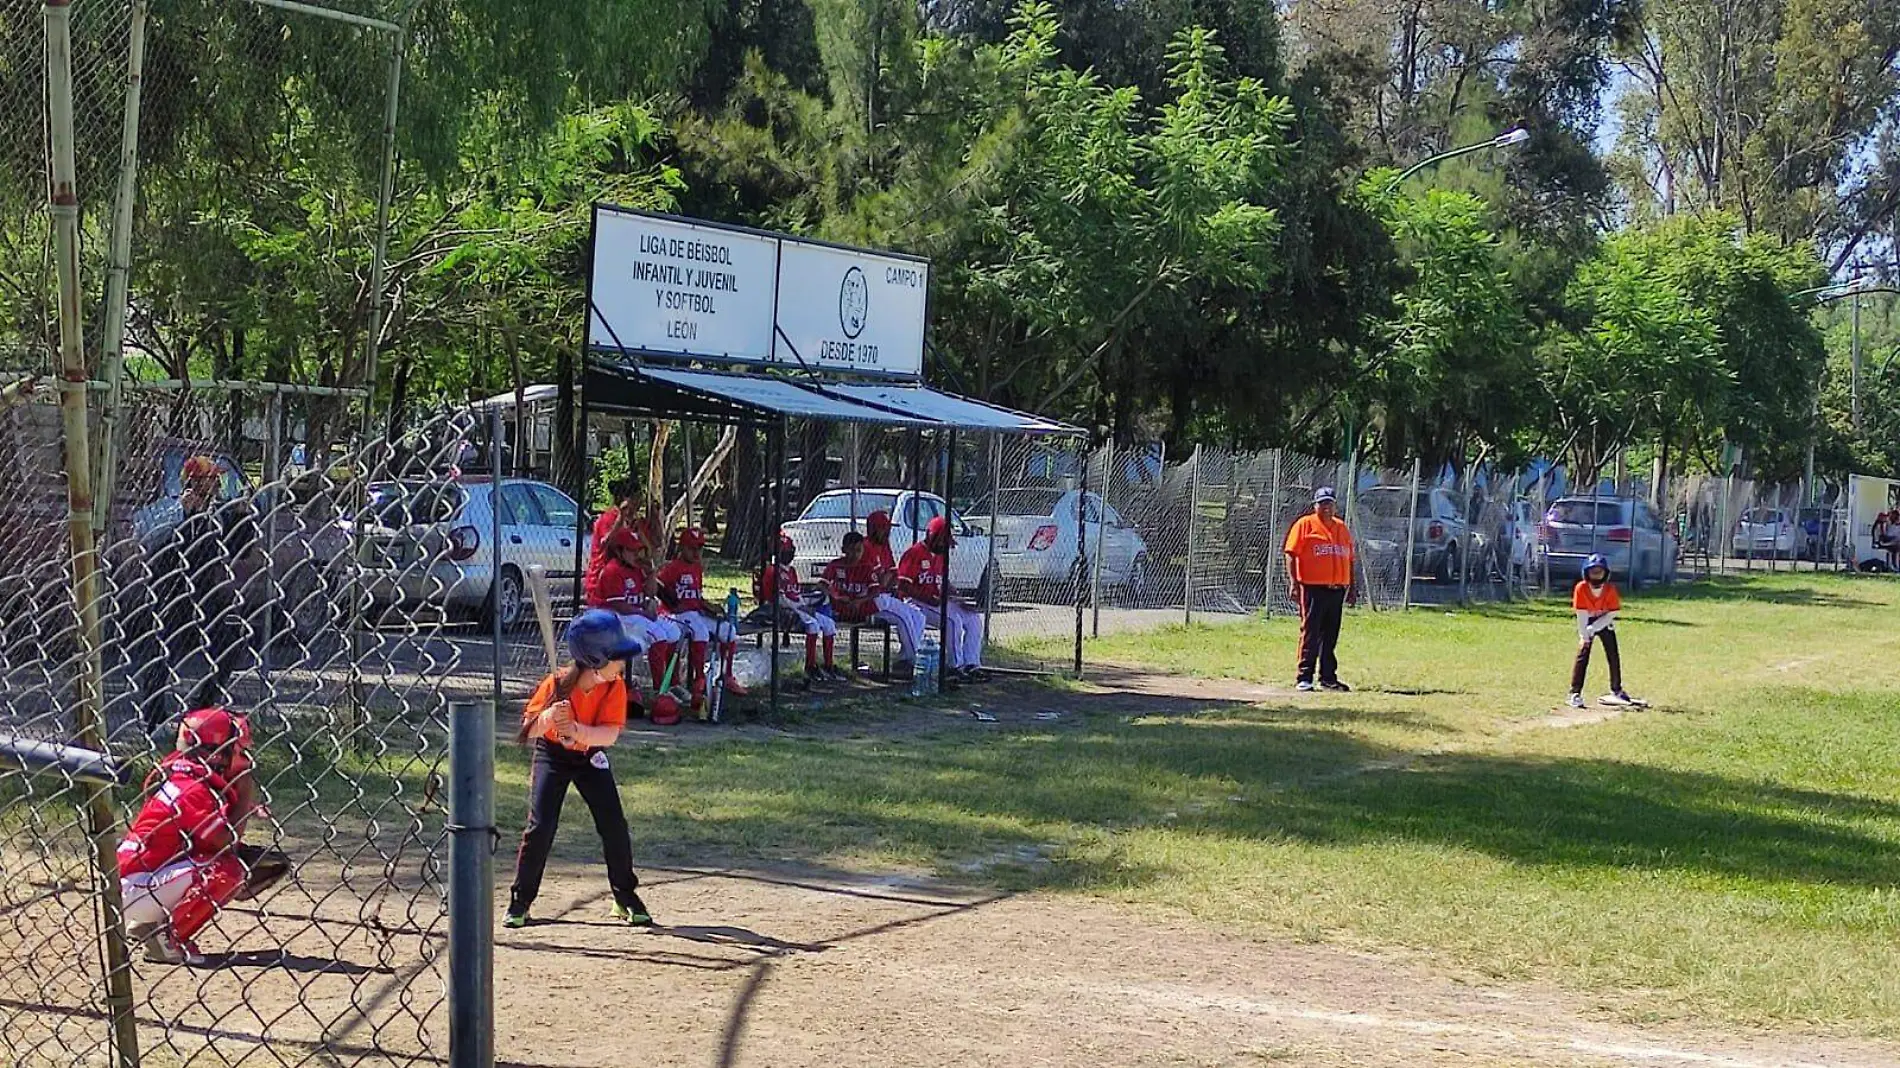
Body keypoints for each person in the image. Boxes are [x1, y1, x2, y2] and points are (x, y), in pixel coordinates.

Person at [504, 610, 654, 929]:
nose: (623, 665)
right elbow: (526, 731)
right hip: (553, 755)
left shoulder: (613, 688)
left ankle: (624, 895)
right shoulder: (557, 684)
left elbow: (609, 735)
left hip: (590, 756)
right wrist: (547, 719)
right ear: (596, 658)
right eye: (617, 657)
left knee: (613, 824)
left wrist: (577, 731)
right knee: (541, 826)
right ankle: (521, 900)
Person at [118, 707, 253, 966]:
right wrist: (245, 790)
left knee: (219, 861)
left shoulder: (184, 777)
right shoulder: (193, 789)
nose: (243, 758)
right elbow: (226, 842)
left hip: (134, 883)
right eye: (238, 750)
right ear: (216, 752)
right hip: (133, 889)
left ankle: (147, 925)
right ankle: (169, 940)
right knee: (228, 870)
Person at [139, 455, 263, 735]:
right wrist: (183, 515)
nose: (218, 484)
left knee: (232, 641)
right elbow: (156, 544)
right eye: (211, 479)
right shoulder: (171, 509)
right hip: (170, 591)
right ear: (195, 483)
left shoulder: (216, 514)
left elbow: (237, 550)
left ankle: (199, 709)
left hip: (204, 592)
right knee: (161, 651)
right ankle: (152, 720)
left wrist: (244, 516)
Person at [588, 526, 686, 705]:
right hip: (616, 618)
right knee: (659, 635)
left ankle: (672, 683)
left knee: (674, 632)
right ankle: (659, 691)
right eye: (631, 550)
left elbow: (649, 593)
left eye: (638, 550)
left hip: (633, 615)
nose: (636, 554)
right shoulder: (612, 570)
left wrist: (651, 574)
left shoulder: (636, 569)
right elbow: (618, 604)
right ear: (619, 551)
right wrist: (643, 612)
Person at [654, 527, 747, 714]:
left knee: (729, 631)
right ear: (682, 548)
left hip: (696, 612)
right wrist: (671, 603)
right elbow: (657, 585)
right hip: (679, 615)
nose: (696, 553)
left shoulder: (697, 566)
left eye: (699, 548)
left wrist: (708, 606)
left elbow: (696, 597)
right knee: (700, 631)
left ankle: (726, 676)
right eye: (692, 548)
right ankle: (699, 680)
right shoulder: (673, 568)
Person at [1282, 486, 1355, 692]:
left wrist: (1352, 586)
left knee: (1330, 634)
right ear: (1315, 505)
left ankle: (1328, 677)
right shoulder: (1305, 524)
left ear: (1335, 505)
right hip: (1313, 588)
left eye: (1329, 503)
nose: (1326, 507)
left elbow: (1349, 559)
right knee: (1311, 631)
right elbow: (1291, 553)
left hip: (1337, 588)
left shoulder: (1341, 528)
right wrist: (1294, 582)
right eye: (1322, 503)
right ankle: (1304, 676)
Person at [898, 516, 984, 682]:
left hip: (935, 601)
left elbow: (943, 581)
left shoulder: (940, 555)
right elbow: (903, 587)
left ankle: (971, 664)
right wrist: (929, 599)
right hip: (915, 602)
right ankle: (954, 667)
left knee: (973, 619)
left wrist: (959, 599)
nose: (946, 546)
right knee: (952, 622)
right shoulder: (914, 553)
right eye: (943, 541)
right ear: (932, 536)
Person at [824, 531, 922, 676]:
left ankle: (911, 659)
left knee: (916, 615)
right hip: (852, 609)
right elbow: (822, 584)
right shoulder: (835, 565)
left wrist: (859, 600)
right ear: (843, 549)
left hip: (864, 605)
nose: (855, 554)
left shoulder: (865, 567)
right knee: (899, 612)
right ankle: (915, 660)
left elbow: (875, 590)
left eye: (858, 550)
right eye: (851, 550)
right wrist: (836, 596)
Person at [760, 531, 842, 685]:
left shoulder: (791, 571)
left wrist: (808, 602)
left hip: (798, 607)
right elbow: (780, 599)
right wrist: (801, 608)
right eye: (786, 551)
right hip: (782, 610)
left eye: (791, 550)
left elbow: (796, 594)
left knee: (829, 624)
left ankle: (828, 665)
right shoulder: (773, 571)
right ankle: (810, 666)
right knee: (813, 625)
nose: (789, 553)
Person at [1570, 553, 1640, 708]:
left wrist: (1595, 627)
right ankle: (1575, 693)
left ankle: (1617, 689)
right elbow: (1581, 613)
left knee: (1612, 653)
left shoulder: (1609, 589)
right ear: (1586, 573)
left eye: (1599, 571)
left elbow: (1612, 613)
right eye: (1593, 571)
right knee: (1583, 654)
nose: (1596, 575)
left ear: (1605, 573)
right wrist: (1584, 634)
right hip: (1586, 619)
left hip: (1604, 620)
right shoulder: (1581, 588)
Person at [861, 511, 926, 676]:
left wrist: (888, 578)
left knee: (918, 615)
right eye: (883, 528)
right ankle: (917, 662)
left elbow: (892, 577)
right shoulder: (864, 547)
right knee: (904, 616)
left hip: (884, 597)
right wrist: (888, 578)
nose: (887, 532)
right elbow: (881, 582)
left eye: (888, 528)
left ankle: (905, 659)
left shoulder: (884, 546)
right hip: (869, 600)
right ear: (873, 529)